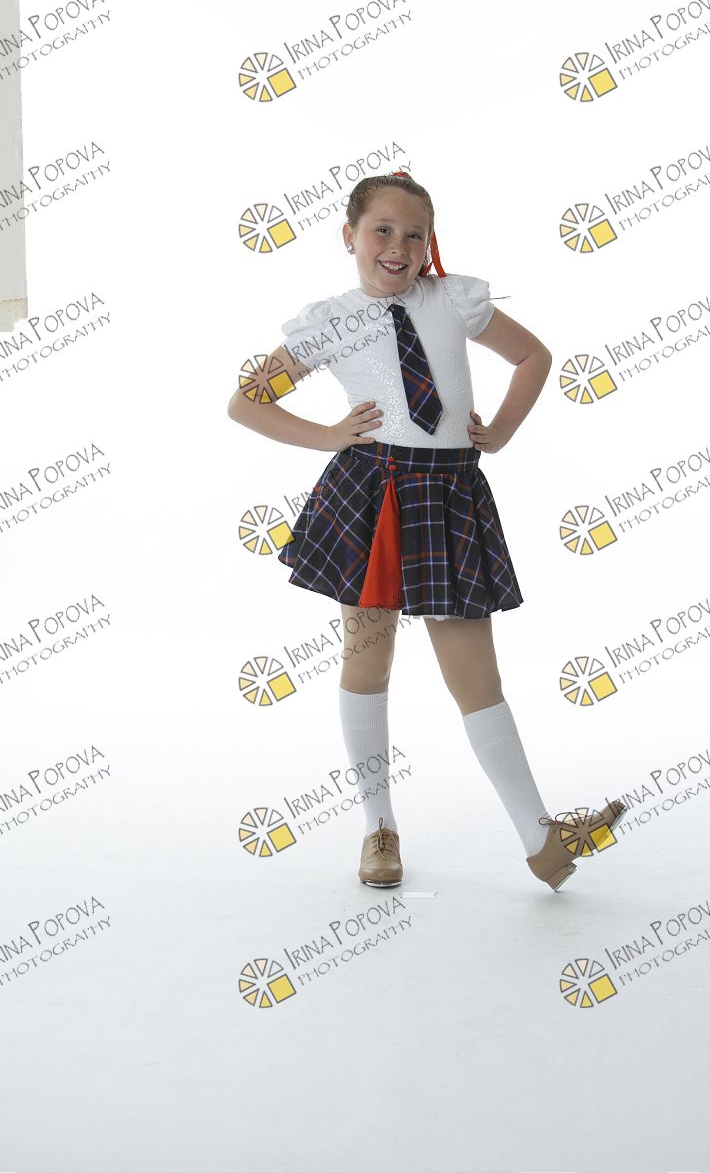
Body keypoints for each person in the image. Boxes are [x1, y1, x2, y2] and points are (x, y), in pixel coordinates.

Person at [227, 170, 625, 892]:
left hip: (448, 494)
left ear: (430, 243)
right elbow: (246, 402)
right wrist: (328, 436)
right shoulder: (330, 320)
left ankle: (542, 840)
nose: (398, 246)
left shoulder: (454, 300)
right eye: (382, 230)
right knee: (368, 660)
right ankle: (378, 828)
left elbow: (533, 357)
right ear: (349, 236)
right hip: (372, 494)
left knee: (477, 677)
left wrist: (499, 431)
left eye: (415, 235)